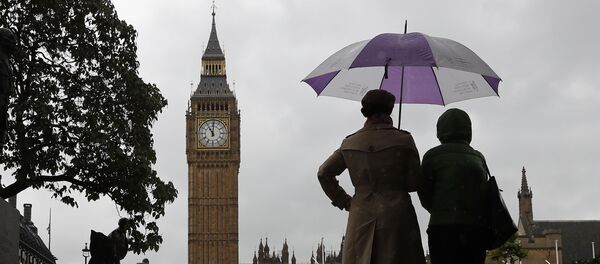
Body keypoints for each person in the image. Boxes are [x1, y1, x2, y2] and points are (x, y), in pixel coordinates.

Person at [318, 89, 425, 264]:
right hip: (397, 218)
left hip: (360, 215)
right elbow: (414, 183)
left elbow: (324, 173)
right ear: (389, 110)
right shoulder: (404, 140)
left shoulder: (350, 143)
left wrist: (345, 202)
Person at [418, 108, 488, 264]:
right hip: (475, 229)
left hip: (442, 227)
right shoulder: (478, 157)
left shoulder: (432, 156)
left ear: (440, 130)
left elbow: (424, 194)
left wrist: (441, 210)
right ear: (468, 130)